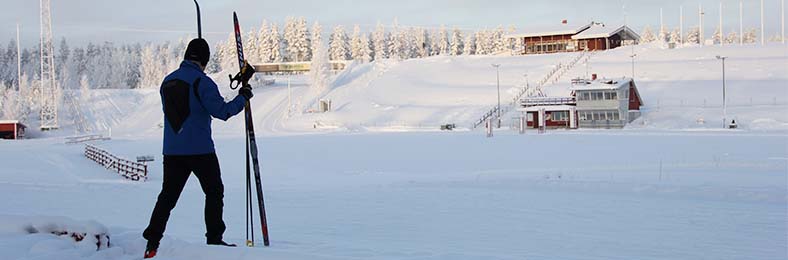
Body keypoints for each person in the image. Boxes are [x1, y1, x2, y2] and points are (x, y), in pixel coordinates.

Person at [142, 38, 254, 259]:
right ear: (204, 60)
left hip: (172, 151)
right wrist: (243, 97)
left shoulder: (167, 82)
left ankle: (152, 243)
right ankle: (214, 240)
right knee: (214, 191)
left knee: (167, 197)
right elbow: (222, 111)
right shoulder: (203, 82)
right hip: (200, 150)